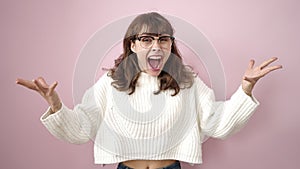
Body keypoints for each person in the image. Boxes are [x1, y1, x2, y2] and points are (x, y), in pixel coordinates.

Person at [16, 12, 282, 169]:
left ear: (169, 45)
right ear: (132, 45)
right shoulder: (112, 82)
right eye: (146, 39)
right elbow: (82, 128)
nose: (156, 45)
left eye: (163, 39)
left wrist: (246, 88)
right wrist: (56, 107)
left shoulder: (186, 81)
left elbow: (218, 123)